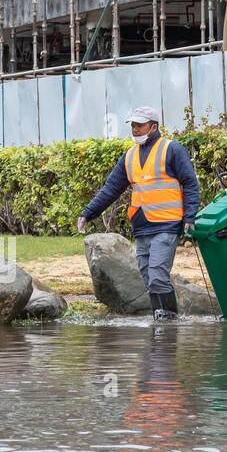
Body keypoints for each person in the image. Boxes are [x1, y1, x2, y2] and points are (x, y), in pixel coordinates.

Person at [76, 106, 200, 321]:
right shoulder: (129, 156)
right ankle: (161, 319)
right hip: (142, 227)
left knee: (158, 276)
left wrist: (189, 217)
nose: (134, 129)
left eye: (139, 125)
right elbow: (111, 189)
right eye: (132, 125)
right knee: (147, 276)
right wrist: (88, 213)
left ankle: (167, 319)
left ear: (153, 127)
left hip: (168, 224)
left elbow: (190, 184)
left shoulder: (172, 149)